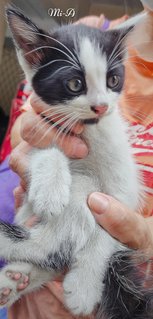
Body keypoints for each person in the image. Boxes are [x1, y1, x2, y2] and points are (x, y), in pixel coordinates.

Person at [1, 1, 153, 318]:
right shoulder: (90, 31)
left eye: (112, 83)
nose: (102, 106)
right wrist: (31, 134)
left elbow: (119, 194)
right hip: (39, 306)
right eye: (76, 83)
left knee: (84, 191)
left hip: (116, 265)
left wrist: (141, 236)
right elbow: (24, 133)